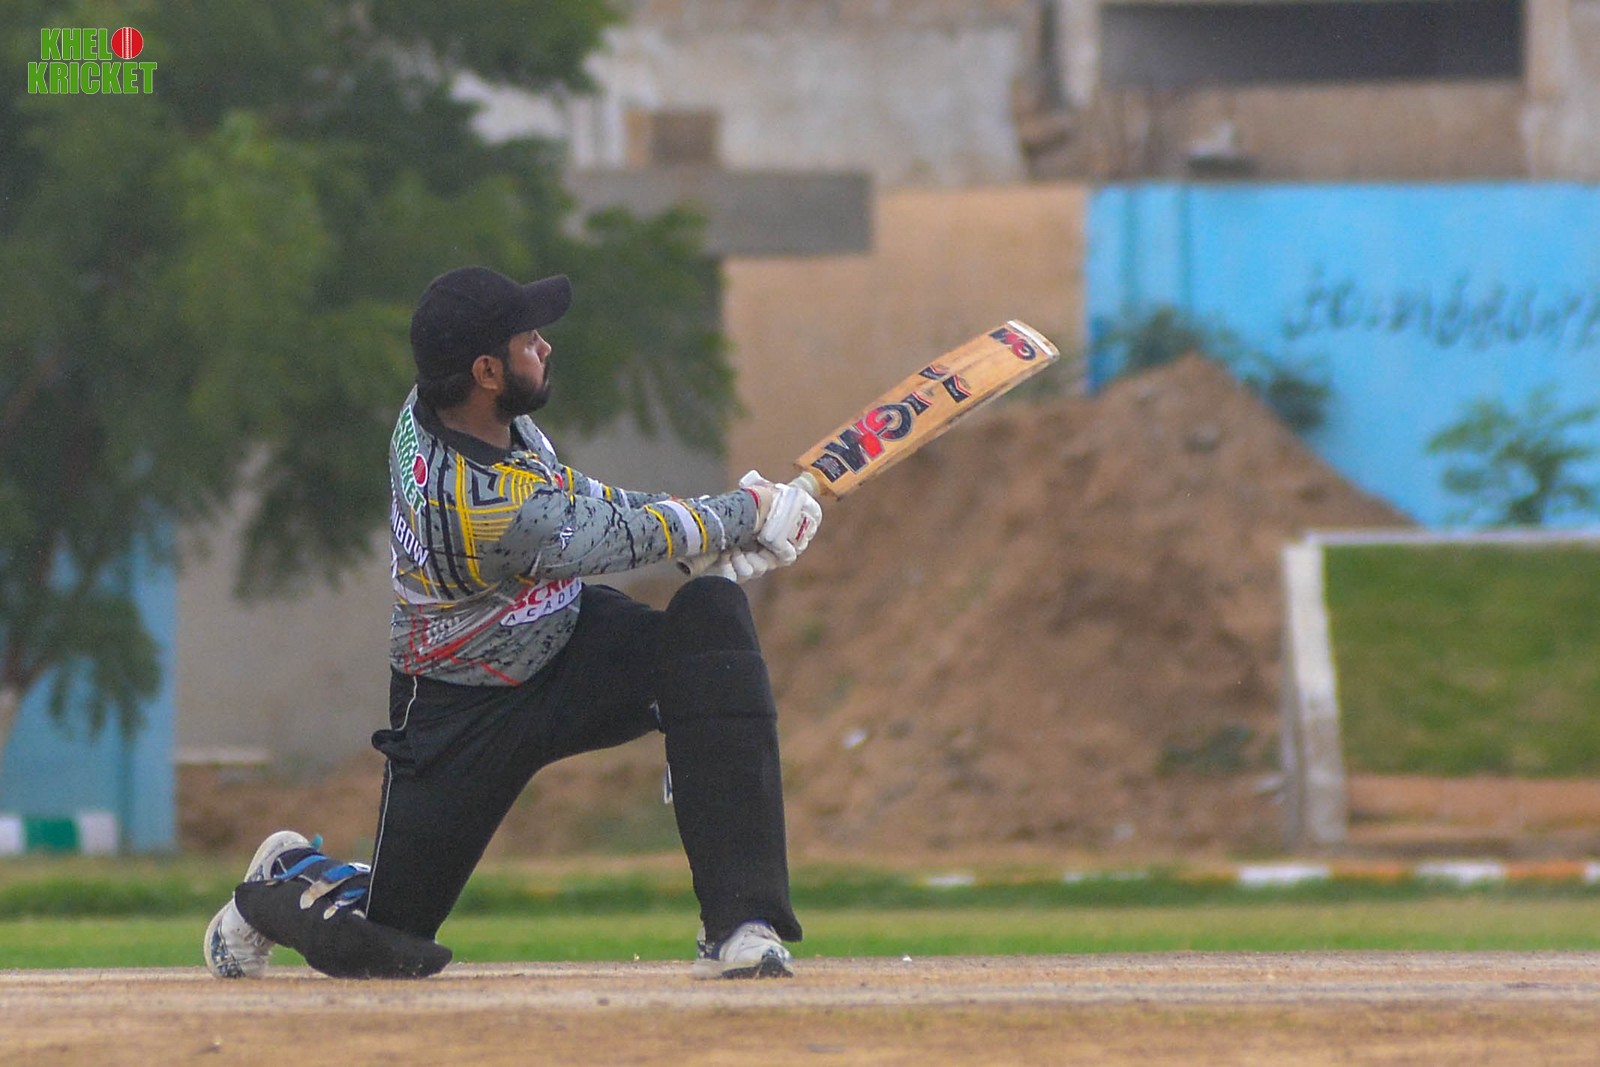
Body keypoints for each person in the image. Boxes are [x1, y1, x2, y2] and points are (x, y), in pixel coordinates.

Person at [203, 265, 821, 980]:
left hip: (568, 643)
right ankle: (283, 877)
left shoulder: (463, 410)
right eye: (530, 339)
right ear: (487, 370)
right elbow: (594, 533)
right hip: (461, 707)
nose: (546, 348)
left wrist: (702, 536)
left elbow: (579, 501)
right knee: (388, 944)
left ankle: (741, 922)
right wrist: (745, 514)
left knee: (712, 617)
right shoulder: (475, 503)